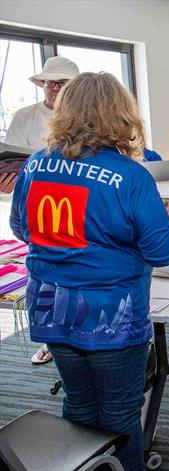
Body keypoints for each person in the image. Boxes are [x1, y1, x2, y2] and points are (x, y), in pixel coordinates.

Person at [10, 72, 169, 471]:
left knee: (78, 404)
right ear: (120, 116)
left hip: (52, 309)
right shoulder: (129, 175)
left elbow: (22, 228)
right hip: (111, 316)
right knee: (121, 413)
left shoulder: (36, 165)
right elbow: (165, 251)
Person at [3, 55, 80, 364]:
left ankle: (78, 337)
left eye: (60, 83)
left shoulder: (88, 119)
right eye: (49, 83)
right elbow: (10, 165)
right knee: (49, 278)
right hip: (38, 209)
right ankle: (55, 341)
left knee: (78, 275)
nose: (53, 89)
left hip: (77, 209)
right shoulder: (24, 116)